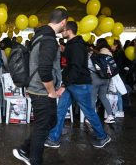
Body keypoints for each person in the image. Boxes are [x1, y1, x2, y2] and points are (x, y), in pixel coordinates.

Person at [44, 21, 111, 151]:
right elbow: (72, 65)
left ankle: (103, 136)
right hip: (72, 84)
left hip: (80, 84)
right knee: (61, 110)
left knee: (89, 112)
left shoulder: (76, 46)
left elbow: (76, 68)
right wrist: (66, 83)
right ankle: (54, 138)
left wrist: (64, 85)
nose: (61, 32)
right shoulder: (73, 45)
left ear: (68, 31)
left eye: (63, 30)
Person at [13, 8, 67, 165]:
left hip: (37, 88)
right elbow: (44, 69)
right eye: (66, 23)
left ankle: (24, 149)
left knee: (51, 121)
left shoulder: (41, 35)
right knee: (43, 126)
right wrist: (52, 91)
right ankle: (34, 160)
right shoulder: (49, 40)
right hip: (41, 91)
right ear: (63, 22)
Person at [90, 38, 115, 123]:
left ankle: (91, 119)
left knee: (93, 97)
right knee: (103, 97)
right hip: (106, 78)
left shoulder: (100, 52)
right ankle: (110, 116)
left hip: (96, 77)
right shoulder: (109, 52)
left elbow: (93, 65)